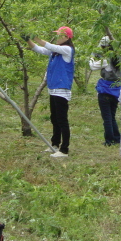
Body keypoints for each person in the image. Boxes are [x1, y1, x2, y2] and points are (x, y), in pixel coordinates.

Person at [26, 26, 75, 158]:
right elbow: (40, 49)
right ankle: (54, 144)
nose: (57, 37)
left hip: (61, 89)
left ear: (66, 38)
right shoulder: (55, 52)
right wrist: (28, 40)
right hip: (53, 89)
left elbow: (49, 45)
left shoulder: (67, 49)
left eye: (60, 35)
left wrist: (34, 36)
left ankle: (64, 149)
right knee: (55, 118)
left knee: (62, 120)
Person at [89, 36, 121, 146]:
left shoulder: (106, 60)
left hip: (105, 90)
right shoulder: (119, 58)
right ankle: (117, 137)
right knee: (112, 116)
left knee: (107, 118)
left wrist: (92, 56)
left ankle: (109, 140)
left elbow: (92, 66)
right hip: (116, 90)